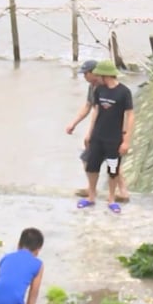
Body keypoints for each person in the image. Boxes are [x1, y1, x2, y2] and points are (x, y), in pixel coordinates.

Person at [66, 60, 129, 202]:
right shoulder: (94, 88)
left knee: (111, 161)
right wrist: (73, 123)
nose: (84, 77)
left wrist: (90, 133)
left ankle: (121, 191)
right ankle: (93, 189)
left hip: (110, 132)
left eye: (86, 74)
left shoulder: (110, 89)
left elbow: (100, 112)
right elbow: (88, 106)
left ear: (94, 73)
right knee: (89, 159)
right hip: (100, 131)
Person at [80, 60, 134, 214]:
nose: (97, 78)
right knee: (92, 167)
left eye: (99, 75)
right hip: (98, 136)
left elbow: (130, 115)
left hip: (114, 138)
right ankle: (91, 197)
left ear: (106, 75)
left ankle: (111, 199)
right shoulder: (99, 90)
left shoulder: (124, 92)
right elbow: (95, 111)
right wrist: (90, 133)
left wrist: (126, 140)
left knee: (112, 169)